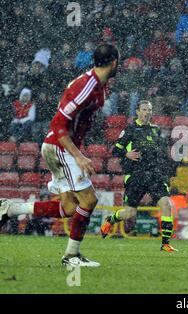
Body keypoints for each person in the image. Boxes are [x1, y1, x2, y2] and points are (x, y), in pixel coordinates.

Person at [0, 44, 120, 267]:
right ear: (113, 62)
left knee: (69, 208)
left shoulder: (96, 85)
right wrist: (79, 156)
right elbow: (57, 123)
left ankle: (10, 208)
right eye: (118, 62)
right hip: (60, 146)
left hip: (58, 145)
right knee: (89, 199)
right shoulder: (88, 85)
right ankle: (71, 256)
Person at [100, 100, 178, 252]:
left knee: (166, 204)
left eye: (149, 110)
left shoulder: (156, 130)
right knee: (130, 212)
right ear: (137, 111)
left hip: (155, 175)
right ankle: (110, 220)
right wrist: (126, 154)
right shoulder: (130, 129)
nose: (147, 112)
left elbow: (161, 153)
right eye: (144, 109)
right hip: (136, 175)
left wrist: (163, 169)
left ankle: (165, 244)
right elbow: (115, 150)